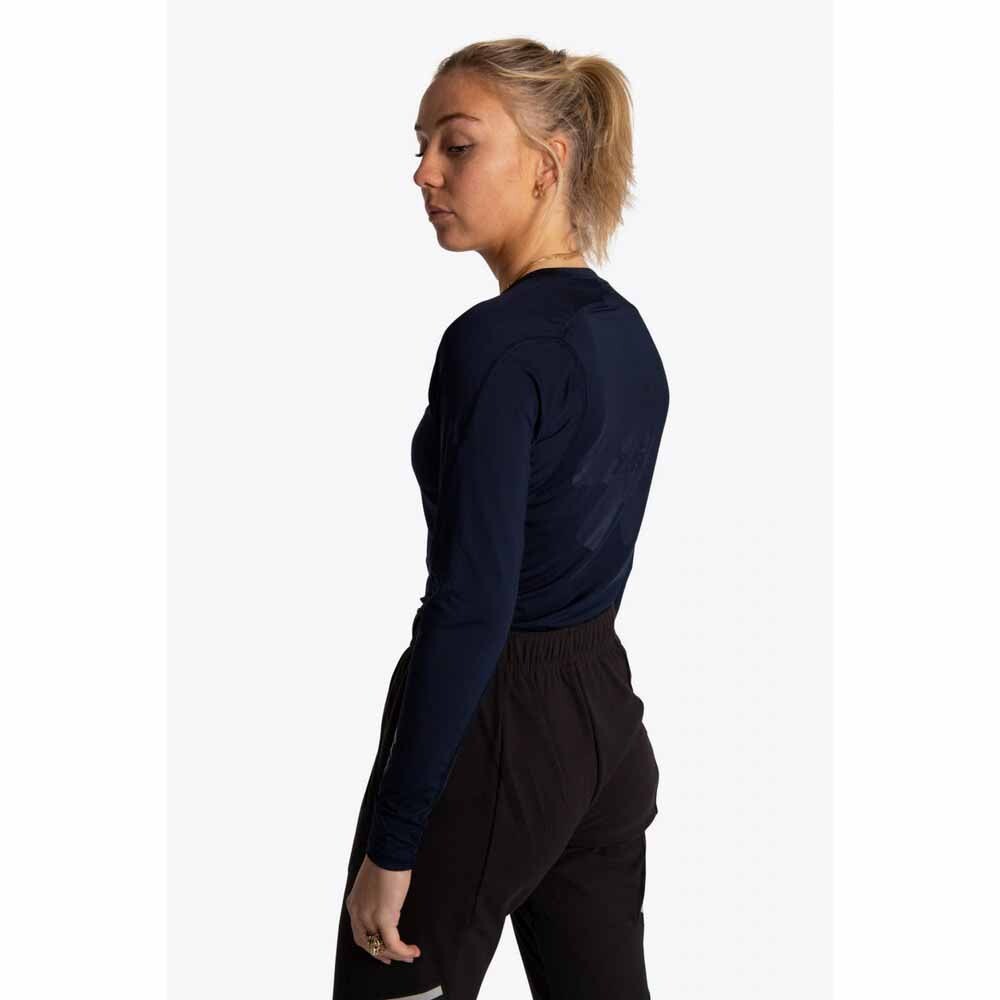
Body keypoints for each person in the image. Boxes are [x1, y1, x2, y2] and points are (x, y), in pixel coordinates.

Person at [332, 38, 670, 1000]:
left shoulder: (493, 347)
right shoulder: (627, 335)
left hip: (490, 730)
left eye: (458, 145)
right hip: (604, 726)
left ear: (548, 163)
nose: (424, 173)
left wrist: (397, 839)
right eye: (421, 146)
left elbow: (473, 604)